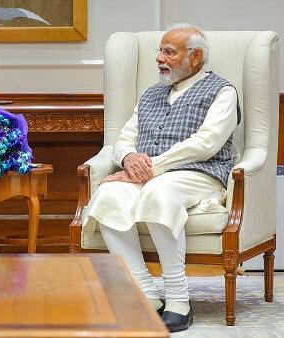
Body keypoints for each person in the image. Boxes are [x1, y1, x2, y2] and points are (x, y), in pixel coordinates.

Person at [82, 24, 239, 332]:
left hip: (199, 174)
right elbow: (125, 138)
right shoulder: (152, 94)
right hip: (144, 175)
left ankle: (179, 299)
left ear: (195, 57)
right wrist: (128, 158)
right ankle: (145, 293)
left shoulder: (222, 91)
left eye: (169, 52)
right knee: (107, 196)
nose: (158, 58)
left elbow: (206, 143)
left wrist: (151, 166)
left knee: (159, 192)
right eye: (159, 50)